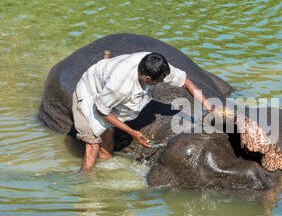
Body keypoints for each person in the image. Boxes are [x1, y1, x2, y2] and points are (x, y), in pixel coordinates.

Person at [72, 51, 216, 170]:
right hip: (91, 93)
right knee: (93, 146)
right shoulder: (120, 86)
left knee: (108, 144)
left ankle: (105, 173)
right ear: (147, 78)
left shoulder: (156, 64)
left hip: (106, 92)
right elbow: (101, 111)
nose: (160, 83)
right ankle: (86, 187)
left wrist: (209, 107)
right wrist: (133, 132)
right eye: (157, 82)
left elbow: (186, 82)